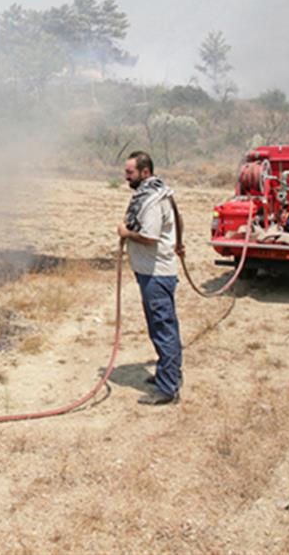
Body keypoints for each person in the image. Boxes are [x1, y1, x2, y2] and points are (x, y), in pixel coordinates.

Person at [117, 151, 184, 405]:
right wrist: (178, 242)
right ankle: (167, 375)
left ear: (145, 172)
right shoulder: (155, 193)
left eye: (130, 172)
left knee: (163, 329)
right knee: (162, 327)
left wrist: (125, 232)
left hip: (156, 275)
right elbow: (179, 220)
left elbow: (150, 236)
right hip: (152, 272)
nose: (126, 177)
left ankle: (167, 389)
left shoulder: (153, 199)